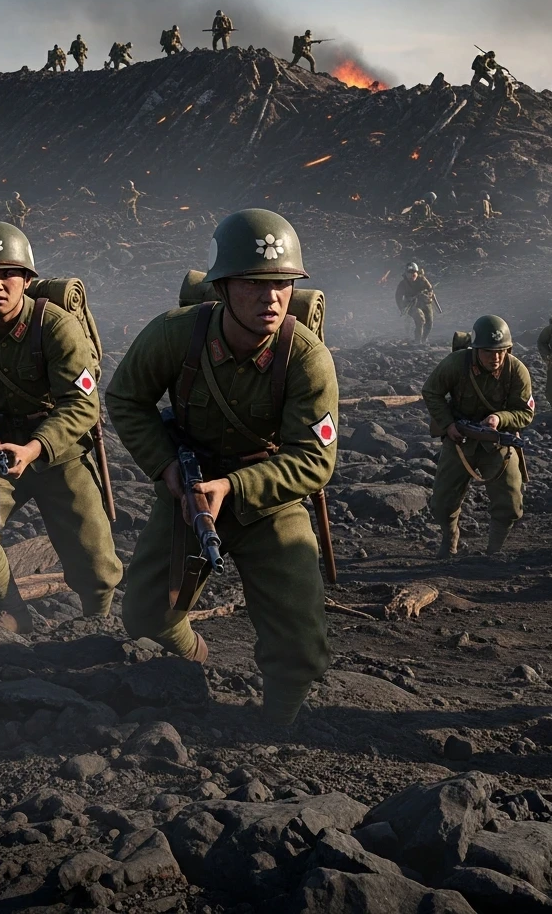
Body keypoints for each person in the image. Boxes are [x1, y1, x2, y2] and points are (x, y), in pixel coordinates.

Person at [105, 210, 338, 726]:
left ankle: (278, 728)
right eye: (254, 284)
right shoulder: (176, 334)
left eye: (282, 284)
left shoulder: (306, 357)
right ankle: (194, 660)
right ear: (223, 287)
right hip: (188, 487)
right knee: (146, 616)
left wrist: (233, 487)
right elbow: (125, 398)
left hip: (267, 495)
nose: (271, 297)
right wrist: (167, 468)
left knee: (301, 644)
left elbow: (315, 459)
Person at [0, 223, 123, 633]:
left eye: (7, 273)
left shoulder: (56, 327)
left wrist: (34, 448)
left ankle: (94, 628)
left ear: (27, 279)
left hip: (58, 451)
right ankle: (15, 611)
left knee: (98, 567)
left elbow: (83, 405)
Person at [422, 315, 534, 559]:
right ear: (475, 350)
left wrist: (500, 419)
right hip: (460, 439)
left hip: (497, 441)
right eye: (488, 351)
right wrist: (448, 424)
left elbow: (525, 413)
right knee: (442, 503)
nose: (495, 358)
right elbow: (431, 391)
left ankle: (494, 551)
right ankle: (449, 540)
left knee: (510, 503)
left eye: (501, 351)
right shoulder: (456, 364)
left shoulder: (516, 371)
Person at [395, 261, 435, 343]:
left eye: (413, 273)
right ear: (406, 274)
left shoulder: (423, 280)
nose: (411, 275)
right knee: (420, 319)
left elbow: (430, 289)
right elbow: (398, 297)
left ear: (417, 273)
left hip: (425, 303)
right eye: (409, 273)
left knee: (429, 323)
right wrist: (402, 308)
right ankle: (418, 342)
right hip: (412, 305)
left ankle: (424, 340)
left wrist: (428, 295)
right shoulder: (403, 284)